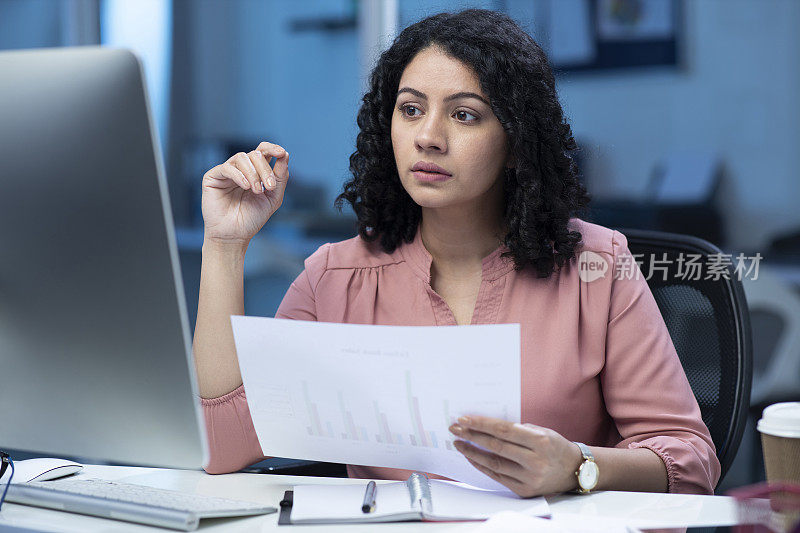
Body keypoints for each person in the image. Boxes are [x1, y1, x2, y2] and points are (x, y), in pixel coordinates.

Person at [192, 9, 720, 496]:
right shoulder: (335, 277)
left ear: (515, 142)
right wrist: (224, 244)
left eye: (465, 115)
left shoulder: (599, 267)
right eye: (410, 109)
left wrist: (578, 466)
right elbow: (221, 445)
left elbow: (690, 459)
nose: (428, 137)